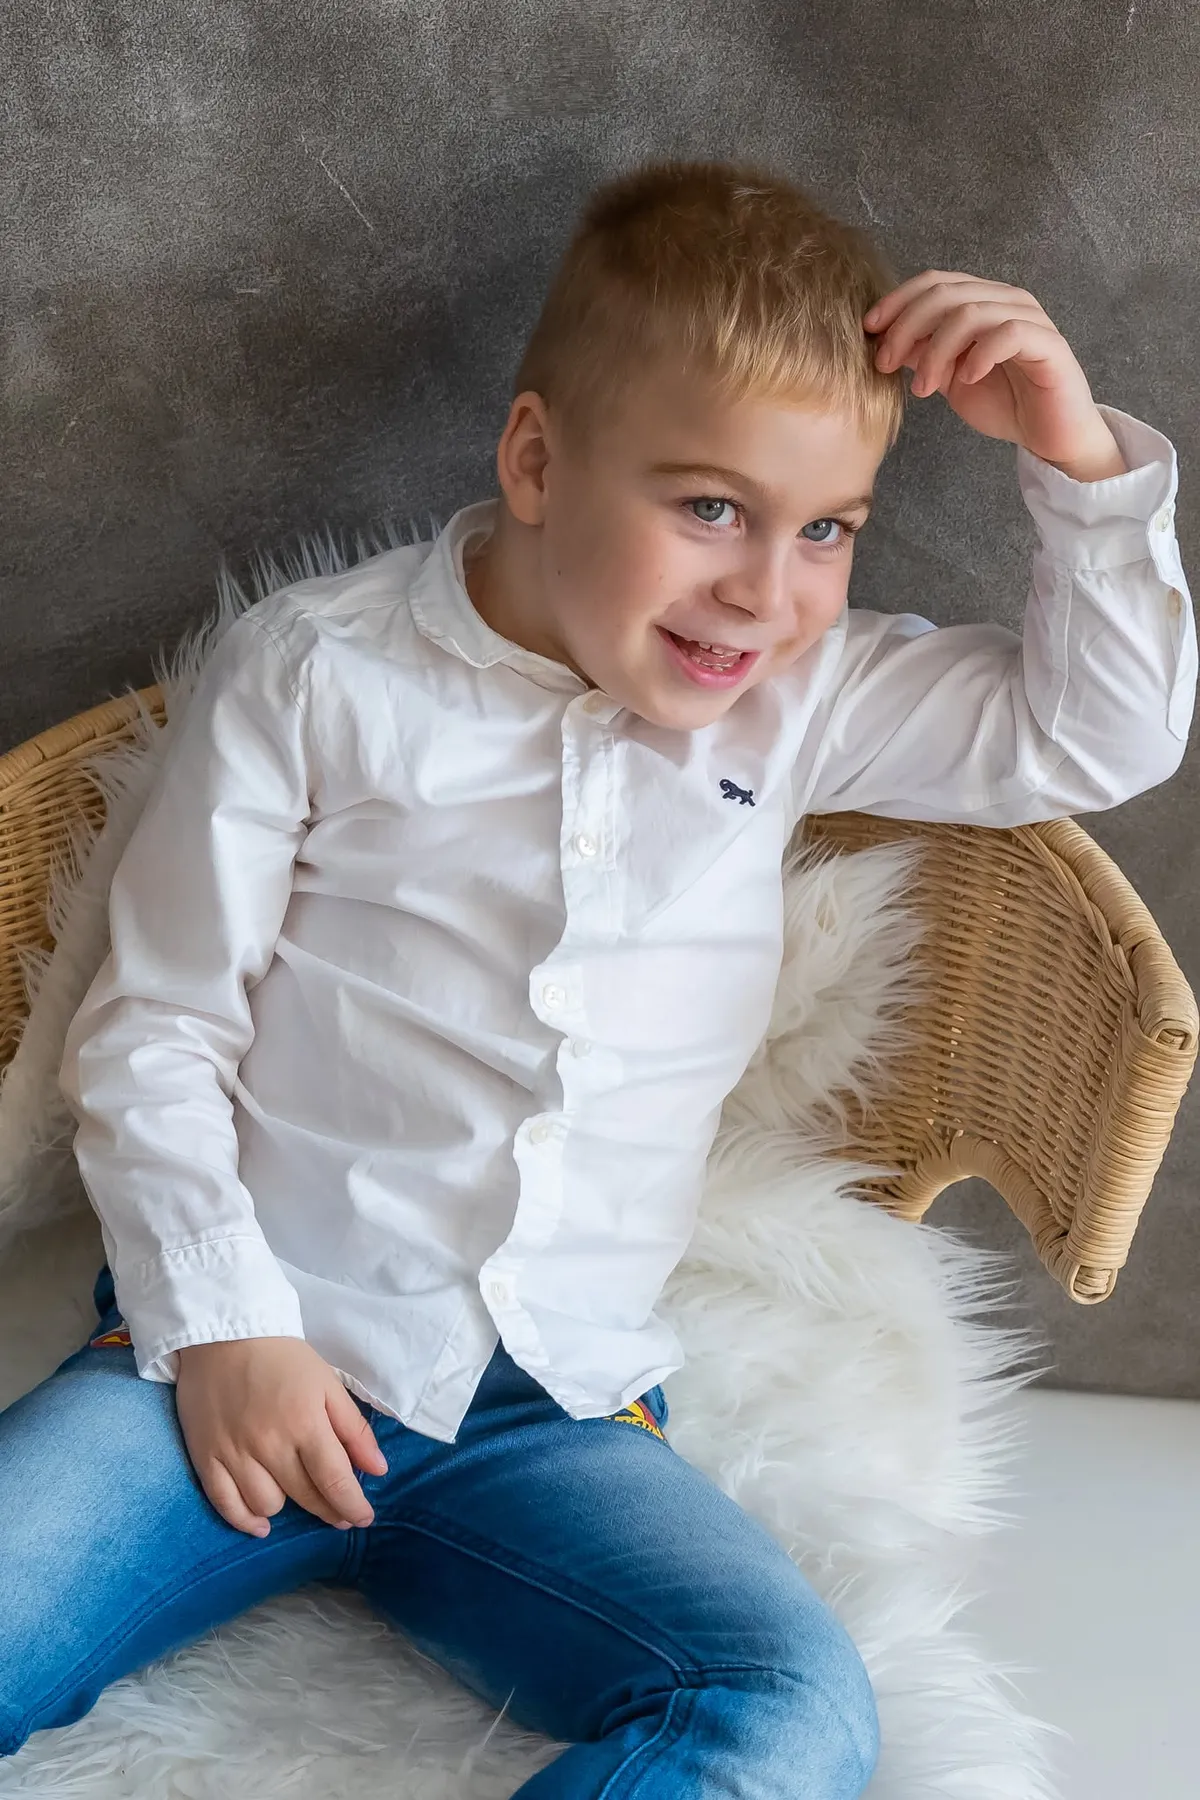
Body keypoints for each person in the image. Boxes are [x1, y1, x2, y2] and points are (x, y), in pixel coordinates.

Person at [1, 156, 1193, 1796]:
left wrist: (1073, 455)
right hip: (234, 1354)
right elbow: (155, 1035)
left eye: (825, 530)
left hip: (543, 1415)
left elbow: (1094, 735)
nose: (763, 591)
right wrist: (223, 1330)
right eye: (710, 508)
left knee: (792, 1707)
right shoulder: (319, 674)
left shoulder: (801, 699)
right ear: (539, 460)